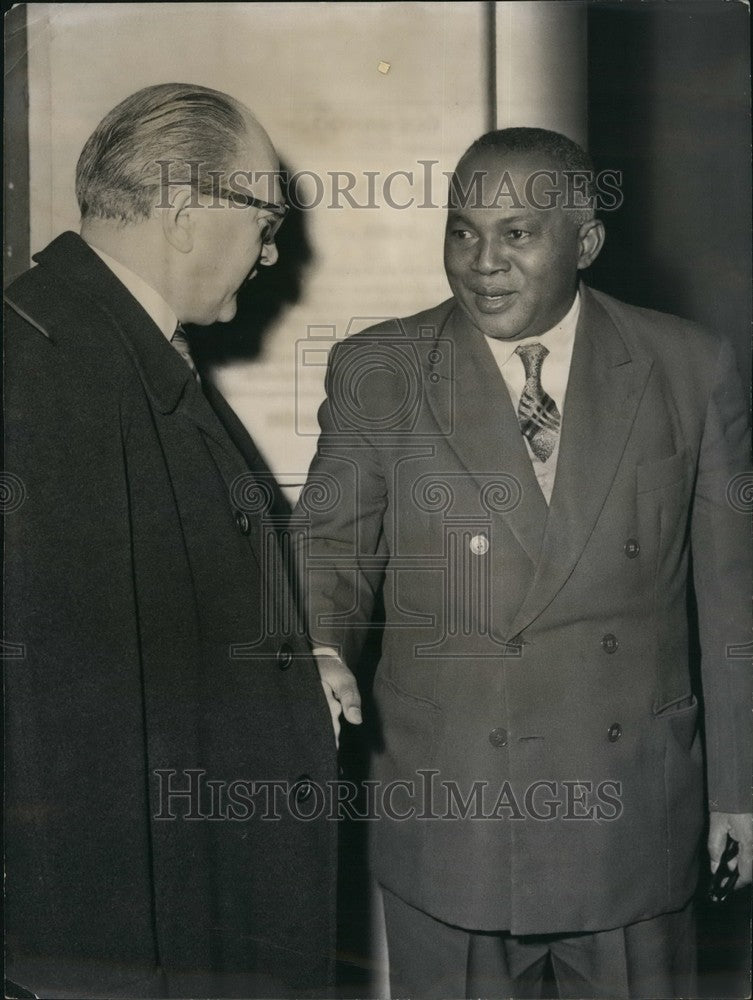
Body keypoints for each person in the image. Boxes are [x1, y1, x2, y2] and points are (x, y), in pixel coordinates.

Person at [297, 127, 752, 998]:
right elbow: (331, 542)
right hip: (451, 813)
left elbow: (732, 602)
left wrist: (738, 788)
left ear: (584, 242)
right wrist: (322, 645)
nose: (481, 262)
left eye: (516, 234)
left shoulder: (689, 367)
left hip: (628, 815)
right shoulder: (378, 369)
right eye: (461, 231)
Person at [4, 83, 336, 999]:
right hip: (152, 933)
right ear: (189, 213)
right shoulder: (50, 367)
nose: (271, 253)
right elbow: (57, 724)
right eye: (264, 219)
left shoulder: (106, 342)